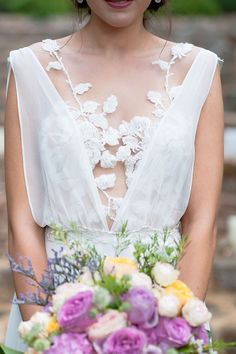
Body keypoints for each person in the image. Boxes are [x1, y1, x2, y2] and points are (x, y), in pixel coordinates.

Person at [4, 0, 224, 350]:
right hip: (53, 308)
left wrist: (174, 327)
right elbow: (22, 221)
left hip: (166, 312)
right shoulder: (31, 69)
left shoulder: (199, 70)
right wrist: (49, 337)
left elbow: (202, 221)